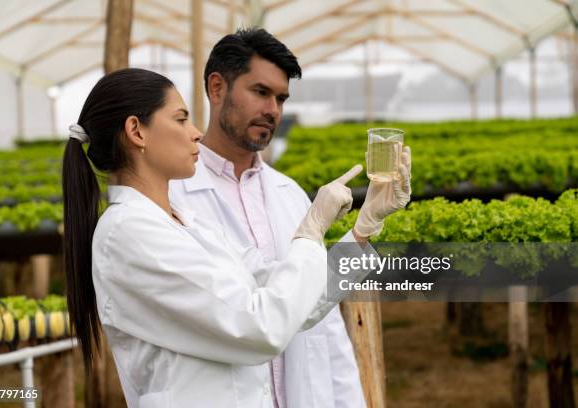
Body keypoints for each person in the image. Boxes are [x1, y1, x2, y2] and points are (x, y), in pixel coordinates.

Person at [62, 68, 411, 407]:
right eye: (181, 119)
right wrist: (311, 230)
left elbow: (291, 299)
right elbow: (260, 326)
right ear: (137, 131)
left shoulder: (190, 225)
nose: (195, 132)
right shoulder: (129, 234)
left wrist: (364, 228)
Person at [171, 28, 411, 408]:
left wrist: (363, 231)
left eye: (281, 98)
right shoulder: (174, 196)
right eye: (261, 92)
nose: (273, 110)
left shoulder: (289, 194)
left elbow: (324, 321)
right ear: (217, 88)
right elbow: (248, 315)